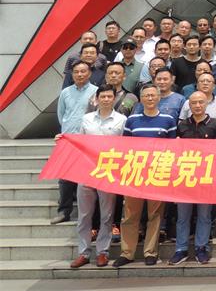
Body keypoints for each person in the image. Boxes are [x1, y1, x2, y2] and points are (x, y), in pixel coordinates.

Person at [114, 84, 176, 267]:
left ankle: (151, 252)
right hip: (134, 174)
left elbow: (173, 148)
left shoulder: (168, 120)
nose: (149, 98)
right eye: (146, 96)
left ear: (159, 97)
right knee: (130, 216)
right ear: (140, 99)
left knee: (155, 216)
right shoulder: (132, 120)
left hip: (157, 174)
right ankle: (127, 253)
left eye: (153, 95)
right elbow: (124, 147)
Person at [68, 85, 126, 268]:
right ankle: (83, 253)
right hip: (87, 171)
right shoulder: (86, 119)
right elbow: (79, 142)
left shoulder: (121, 120)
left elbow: (125, 147)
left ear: (114, 98)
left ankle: (103, 252)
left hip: (108, 172)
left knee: (106, 215)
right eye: (103, 96)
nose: (106, 99)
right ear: (97, 98)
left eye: (109, 96)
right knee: (84, 216)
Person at [170, 91, 216, 265]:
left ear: (206, 103)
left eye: (201, 102)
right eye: (194, 103)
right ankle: (181, 249)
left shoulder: (215, 124)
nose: (198, 105)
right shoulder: (182, 125)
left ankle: (202, 248)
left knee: (204, 215)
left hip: (206, 178)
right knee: (182, 216)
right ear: (189, 105)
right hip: (185, 177)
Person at [52, 61, 98, 225]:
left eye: (83, 71)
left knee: (87, 178)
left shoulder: (96, 91)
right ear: (72, 74)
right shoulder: (66, 92)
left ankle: (89, 214)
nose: (79, 74)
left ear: (89, 73)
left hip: (88, 141)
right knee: (65, 178)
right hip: (69, 141)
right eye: (76, 71)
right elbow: (61, 115)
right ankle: (64, 211)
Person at [177, 72, 216, 137]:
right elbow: (181, 125)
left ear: (214, 86)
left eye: (208, 81)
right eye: (202, 81)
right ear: (197, 85)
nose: (205, 83)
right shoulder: (187, 102)